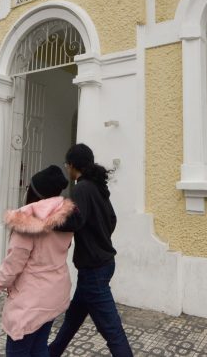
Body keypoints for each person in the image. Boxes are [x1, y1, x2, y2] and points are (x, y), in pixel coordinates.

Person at [49, 144, 133, 357]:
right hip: (100, 265)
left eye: (67, 164)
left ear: (73, 165)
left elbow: (75, 220)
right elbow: (112, 219)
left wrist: (48, 221)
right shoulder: (97, 187)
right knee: (72, 320)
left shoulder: (82, 188)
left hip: (94, 268)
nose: (67, 168)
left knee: (113, 332)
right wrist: (100, 235)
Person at [0, 165, 75, 356]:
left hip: (30, 302)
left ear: (34, 192)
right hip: (54, 293)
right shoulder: (66, 218)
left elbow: (12, 266)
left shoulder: (27, 222)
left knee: (20, 350)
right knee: (40, 346)